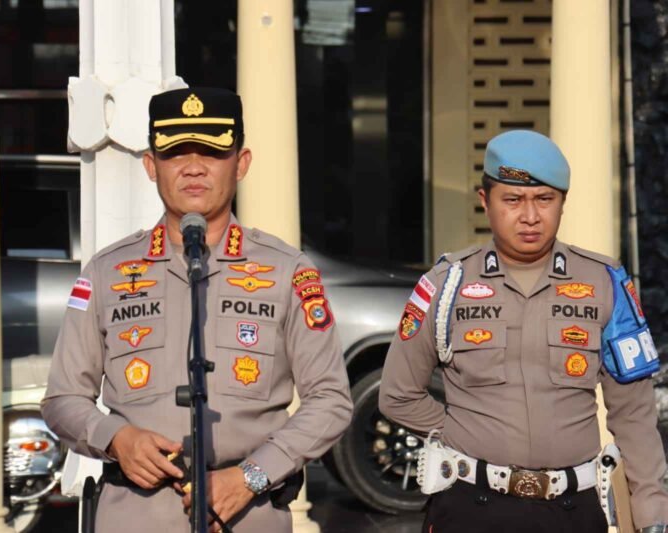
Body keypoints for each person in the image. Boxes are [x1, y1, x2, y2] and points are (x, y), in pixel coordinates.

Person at [41, 87, 353, 532]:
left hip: (247, 512)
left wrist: (251, 476)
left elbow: (330, 401)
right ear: (152, 166)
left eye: (210, 152)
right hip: (135, 513)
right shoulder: (107, 271)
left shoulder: (287, 271)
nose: (192, 167)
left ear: (241, 163)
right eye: (175, 153)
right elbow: (62, 398)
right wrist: (116, 439)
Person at [379, 129, 668, 533]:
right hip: (469, 508)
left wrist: (652, 516)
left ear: (563, 203)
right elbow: (397, 395)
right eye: (513, 200)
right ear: (485, 202)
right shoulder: (445, 284)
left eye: (544, 199)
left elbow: (634, 415)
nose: (530, 216)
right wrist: (463, 435)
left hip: (574, 512)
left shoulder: (605, 283)